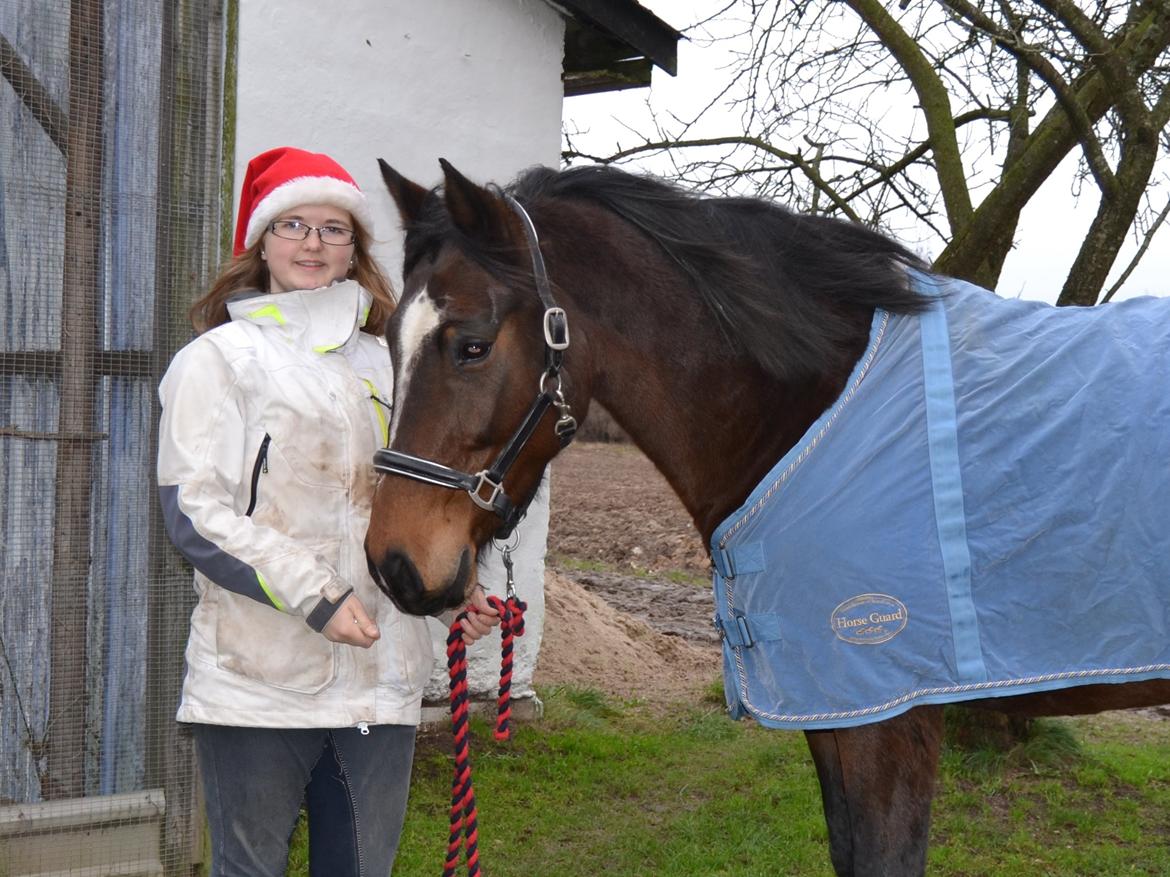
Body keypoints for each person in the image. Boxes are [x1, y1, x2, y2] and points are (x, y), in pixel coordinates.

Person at [157, 146, 498, 876]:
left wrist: (445, 593)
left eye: (333, 229)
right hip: (257, 681)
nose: (313, 243)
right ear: (262, 242)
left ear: (354, 249)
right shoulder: (217, 360)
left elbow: (399, 506)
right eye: (293, 225)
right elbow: (195, 510)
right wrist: (316, 595)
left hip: (378, 677)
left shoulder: (389, 362)